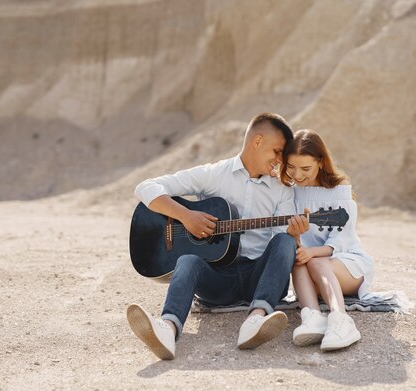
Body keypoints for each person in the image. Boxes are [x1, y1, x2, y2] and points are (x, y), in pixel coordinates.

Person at [127, 112, 309, 360]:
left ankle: (255, 320)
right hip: (217, 281)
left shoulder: (282, 189)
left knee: (285, 240)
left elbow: (281, 247)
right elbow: (146, 187)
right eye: (277, 151)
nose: (280, 161)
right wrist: (185, 216)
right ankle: (167, 330)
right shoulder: (215, 174)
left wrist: (294, 236)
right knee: (188, 260)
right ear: (257, 142)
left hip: (260, 278)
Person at [279, 129, 374, 351]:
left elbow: (341, 240)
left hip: (347, 265)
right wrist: (296, 240)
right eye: (290, 167)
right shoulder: (288, 192)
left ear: (320, 162)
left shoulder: (340, 191)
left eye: (305, 168)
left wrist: (312, 252)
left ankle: (341, 320)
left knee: (314, 260)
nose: (297, 175)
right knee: (298, 260)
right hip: (309, 265)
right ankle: (312, 317)